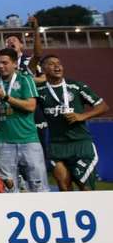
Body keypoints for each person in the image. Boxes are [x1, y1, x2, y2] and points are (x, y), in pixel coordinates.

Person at [36, 55, 108, 191]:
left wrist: (83, 116)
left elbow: (103, 106)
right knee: (64, 187)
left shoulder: (75, 86)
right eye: (51, 64)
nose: (57, 66)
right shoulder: (39, 91)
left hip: (80, 143)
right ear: (43, 69)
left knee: (85, 188)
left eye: (59, 63)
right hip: (57, 144)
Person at [0, 48, 48, 193]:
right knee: (8, 188)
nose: (0, 66)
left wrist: (6, 97)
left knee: (38, 186)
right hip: (4, 142)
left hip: (29, 140)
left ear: (14, 64)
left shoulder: (25, 79)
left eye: (5, 63)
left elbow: (31, 106)